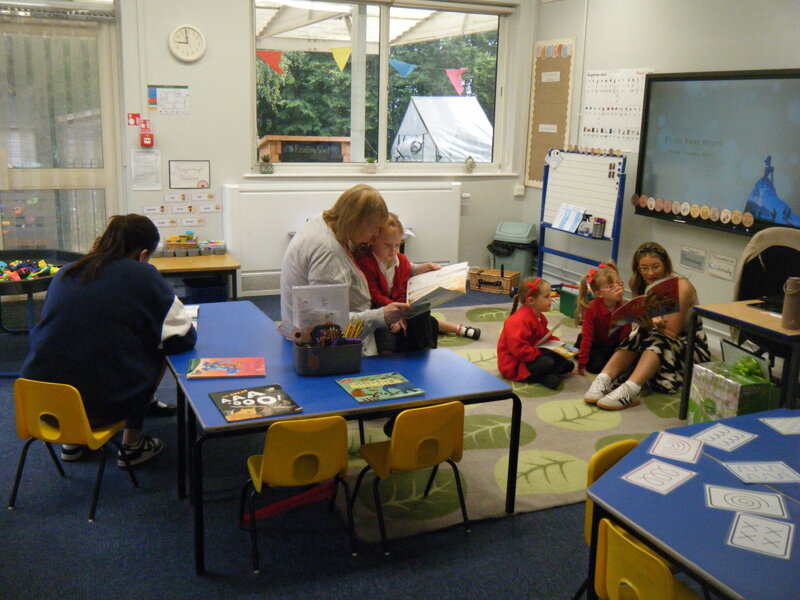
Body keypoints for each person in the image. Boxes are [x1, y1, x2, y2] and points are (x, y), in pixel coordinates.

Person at [21, 214, 197, 466]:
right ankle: (131, 446)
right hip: (102, 406)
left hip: (41, 403)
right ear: (144, 253)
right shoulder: (143, 275)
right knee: (156, 348)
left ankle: (72, 442)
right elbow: (182, 337)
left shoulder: (67, 272)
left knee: (76, 344)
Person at [280, 184, 410, 355]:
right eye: (374, 228)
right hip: (324, 345)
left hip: (327, 328)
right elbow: (328, 326)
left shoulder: (328, 222)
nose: (376, 234)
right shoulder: (327, 252)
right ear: (357, 222)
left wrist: (413, 269)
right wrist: (381, 316)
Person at [583, 242, 711, 410]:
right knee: (639, 333)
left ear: (665, 264)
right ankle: (604, 379)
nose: (650, 273)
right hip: (656, 335)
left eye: (656, 267)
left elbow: (671, 333)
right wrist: (645, 323)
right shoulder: (638, 282)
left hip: (688, 345)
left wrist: (649, 326)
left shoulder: (681, 286)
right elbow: (646, 321)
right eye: (644, 268)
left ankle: (632, 389)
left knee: (656, 337)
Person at [356, 212, 480, 353]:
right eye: (387, 245)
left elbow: (403, 288)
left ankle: (427, 349)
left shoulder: (401, 261)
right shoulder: (367, 262)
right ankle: (387, 355)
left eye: (397, 245)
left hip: (397, 304)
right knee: (382, 321)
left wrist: (402, 311)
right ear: (372, 241)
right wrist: (394, 310)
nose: (393, 251)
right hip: (381, 306)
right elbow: (374, 294)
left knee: (422, 308)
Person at [497, 276, 574, 389]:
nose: (551, 299)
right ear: (531, 301)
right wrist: (541, 353)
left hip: (533, 353)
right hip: (515, 363)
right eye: (547, 297)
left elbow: (545, 335)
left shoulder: (539, 316)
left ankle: (551, 370)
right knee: (547, 362)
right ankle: (541, 378)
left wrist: (558, 346)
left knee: (564, 361)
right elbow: (519, 350)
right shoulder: (518, 321)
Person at [574, 262, 631, 375]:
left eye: (619, 283)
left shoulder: (624, 308)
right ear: (599, 294)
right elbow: (588, 337)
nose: (618, 288)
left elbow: (625, 339)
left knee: (617, 365)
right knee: (596, 367)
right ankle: (578, 348)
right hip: (596, 342)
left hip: (612, 344)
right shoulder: (592, 308)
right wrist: (581, 365)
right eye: (611, 286)